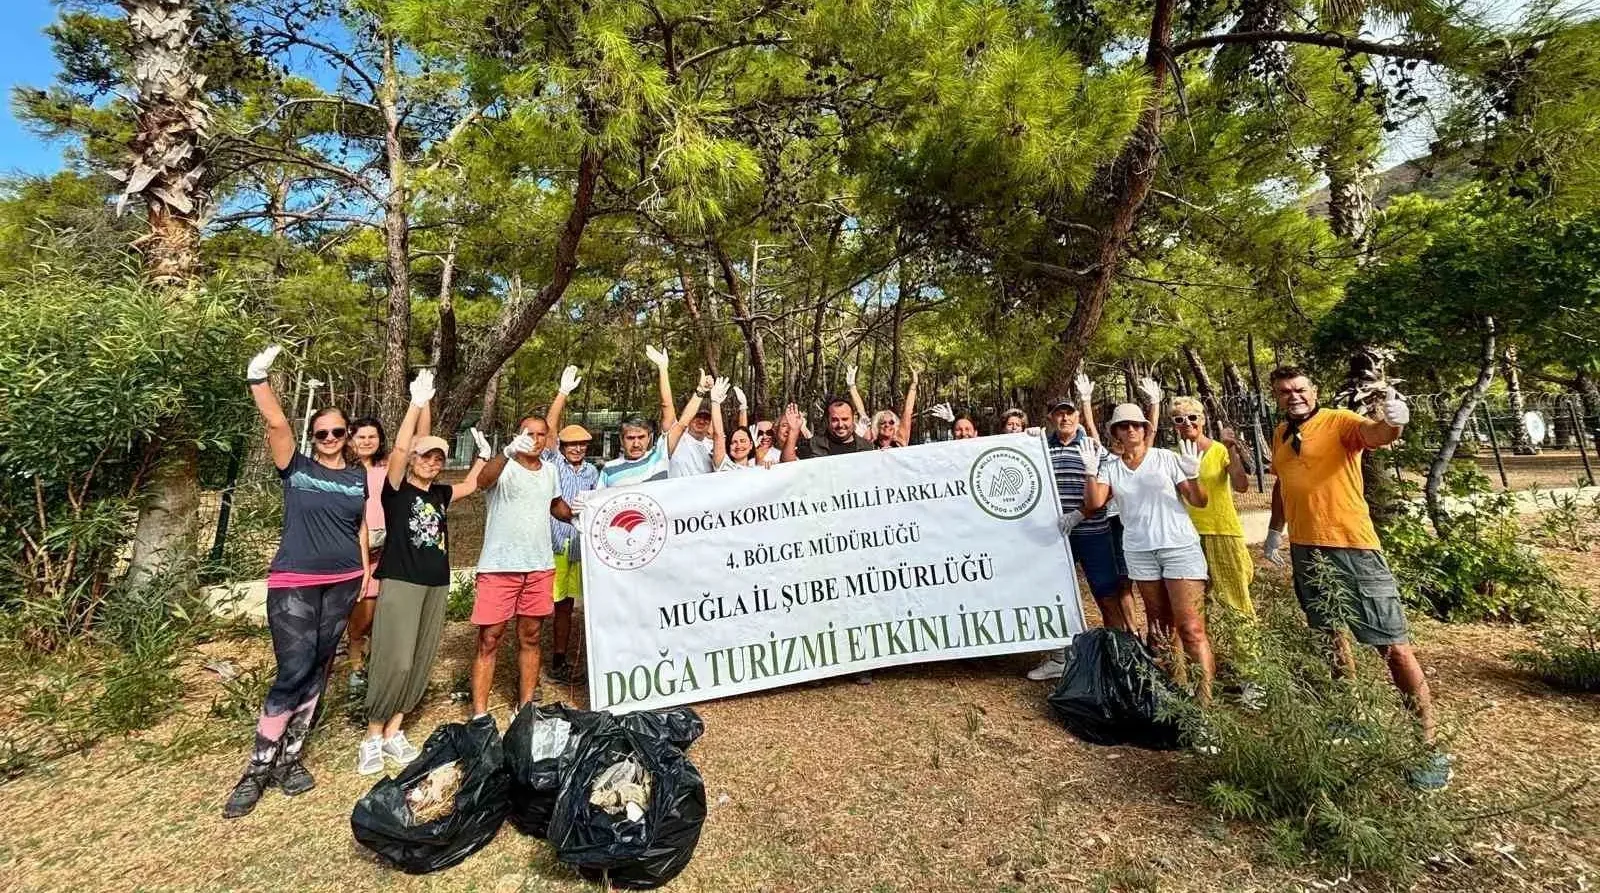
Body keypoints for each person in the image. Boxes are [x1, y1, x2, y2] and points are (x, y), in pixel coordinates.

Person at [1262, 366, 1448, 790]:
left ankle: (1429, 746)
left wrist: (1393, 423)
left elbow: (1375, 435)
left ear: (1315, 391)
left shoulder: (1340, 421)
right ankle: (1352, 715)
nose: (1293, 396)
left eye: (1300, 389)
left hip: (1353, 547)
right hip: (1308, 549)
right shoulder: (1279, 433)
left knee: (1392, 646)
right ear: (1275, 396)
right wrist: (1276, 530)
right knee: (1330, 635)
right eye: (1284, 391)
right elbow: (1283, 484)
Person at [225, 345, 371, 819]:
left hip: (345, 580)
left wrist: (366, 568)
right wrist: (258, 378)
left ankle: (290, 759)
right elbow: (277, 426)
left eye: (338, 431)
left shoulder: (356, 478)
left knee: (321, 665)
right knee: (293, 667)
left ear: (348, 436)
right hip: (295, 580)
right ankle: (257, 766)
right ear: (313, 436)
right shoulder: (296, 467)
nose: (330, 437)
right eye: (321, 432)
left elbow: (361, 527)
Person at [358, 371, 489, 774]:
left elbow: (471, 484)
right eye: (426, 456)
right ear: (412, 460)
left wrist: (485, 454)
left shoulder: (439, 493)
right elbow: (399, 447)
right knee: (394, 658)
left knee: (418, 658)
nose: (432, 462)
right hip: (401, 580)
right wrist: (417, 404)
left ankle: (395, 729)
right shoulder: (395, 490)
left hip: (436, 583)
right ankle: (372, 734)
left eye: (438, 458)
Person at [1082, 404, 1215, 702]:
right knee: (1160, 626)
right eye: (1124, 426)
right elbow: (1094, 504)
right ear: (1115, 432)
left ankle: (1205, 705)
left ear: (1145, 429)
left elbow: (1199, 501)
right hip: (1140, 551)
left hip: (1178, 546)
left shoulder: (1165, 458)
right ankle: (1174, 694)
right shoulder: (1110, 467)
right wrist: (1091, 472)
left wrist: (1194, 477)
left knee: (1191, 628)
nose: (1131, 430)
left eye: (1137, 425)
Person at [469, 414, 575, 719]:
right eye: (529, 433)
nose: (535, 439)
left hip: (539, 566)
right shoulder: (505, 467)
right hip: (499, 567)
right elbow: (482, 481)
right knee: (490, 638)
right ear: (518, 434)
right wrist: (505, 453)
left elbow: (555, 505)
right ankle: (479, 714)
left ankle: (526, 706)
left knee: (530, 636)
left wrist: (579, 514)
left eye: (541, 434)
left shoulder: (551, 470)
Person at [1027, 381, 1133, 682]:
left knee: (1106, 595)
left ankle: (1118, 657)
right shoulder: (1039, 448)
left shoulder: (1094, 447)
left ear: (1076, 416)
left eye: (1070, 414)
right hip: (1056, 537)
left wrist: (1081, 513)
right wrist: (1023, 439)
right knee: (1055, 596)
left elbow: (1109, 490)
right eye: (1059, 414)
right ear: (1050, 418)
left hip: (1094, 534)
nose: (1065, 419)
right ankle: (1061, 657)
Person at [1169, 396, 1255, 621]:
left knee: (1234, 598)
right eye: (1179, 419)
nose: (1186, 423)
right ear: (1174, 425)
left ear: (1203, 420)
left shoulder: (1219, 450)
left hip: (1221, 530)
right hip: (1186, 535)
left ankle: (1248, 653)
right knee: (1196, 603)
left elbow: (1241, 486)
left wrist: (1231, 450)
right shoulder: (1171, 455)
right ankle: (1207, 653)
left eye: (1192, 417)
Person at [542, 364, 599, 684]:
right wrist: (562, 394)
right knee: (546, 603)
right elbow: (549, 429)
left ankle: (561, 659)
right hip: (553, 544)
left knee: (568, 606)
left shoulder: (592, 472)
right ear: (562, 447)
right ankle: (541, 658)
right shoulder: (553, 463)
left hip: (579, 548)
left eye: (582, 444)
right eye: (571, 444)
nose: (577, 448)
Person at [597, 346, 713, 489]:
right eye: (630, 438)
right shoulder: (609, 469)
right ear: (621, 439)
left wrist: (700, 391)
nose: (636, 444)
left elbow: (679, 421)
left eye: (641, 437)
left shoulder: (659, 457)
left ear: (650, 437)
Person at [343, 415, 389, 696]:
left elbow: (416, 443)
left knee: (383, 615)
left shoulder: (386, 469)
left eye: (372, 436)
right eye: (360, 437)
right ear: (350, 439)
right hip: (356, 550)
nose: (367, 441)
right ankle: (356, 670)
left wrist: (420, 405)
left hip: (387, 549)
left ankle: (376, 669)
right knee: (363, 614)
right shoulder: (343, 471)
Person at [780, 397, 876, 461]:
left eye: (845, 419)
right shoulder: (813, 445)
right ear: (827, 420)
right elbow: (788, 464)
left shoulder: (868, 448)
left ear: (853, 418)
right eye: (834, 420)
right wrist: (794, 430)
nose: (840, 424)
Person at [710, 379, 766, 470]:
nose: (738, 445)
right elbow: (718, 435)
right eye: (733, 442)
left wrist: (743, 407)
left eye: (743, 441)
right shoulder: (724, 465)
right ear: (728, 446)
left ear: (751, 445)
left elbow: (743, 431)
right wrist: (715, 403)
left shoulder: (757, 468)